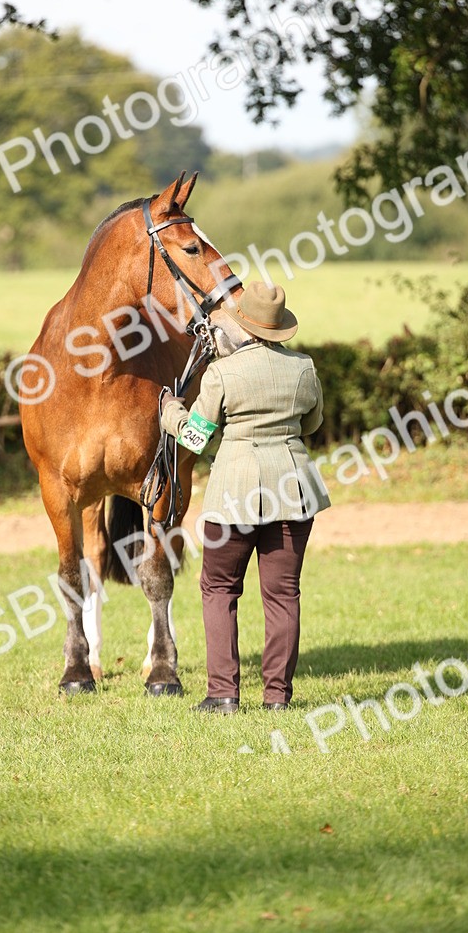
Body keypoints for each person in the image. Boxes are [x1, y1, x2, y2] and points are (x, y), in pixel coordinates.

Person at [161, 280, 330, 713]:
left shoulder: (222, 372)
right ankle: (277, 697)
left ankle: (223, 693)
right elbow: (312, 425)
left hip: (234, 494)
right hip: (293, 490)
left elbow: (195, 438)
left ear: (243, 324)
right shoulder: (304, 368)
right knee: (283, 594)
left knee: (219, 588)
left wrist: (171, 413)